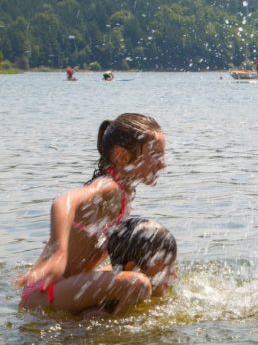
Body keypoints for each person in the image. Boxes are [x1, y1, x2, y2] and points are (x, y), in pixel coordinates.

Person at [17, 113, 168, 315]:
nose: (163, 163)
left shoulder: (124, 193)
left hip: (69, 285)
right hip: (45, 290)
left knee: (150, 274)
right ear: (122, 156)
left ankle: (84, 322)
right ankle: (102, 332)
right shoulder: (109, 187)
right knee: (137, 284)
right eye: (156, 155)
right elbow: (63, 202)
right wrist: (58, 254)